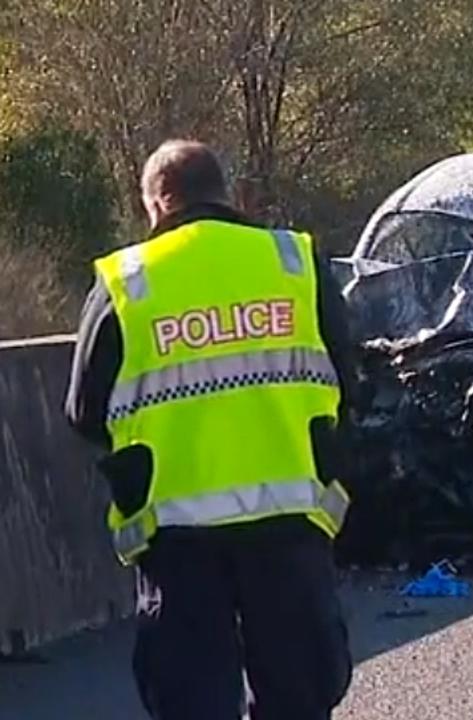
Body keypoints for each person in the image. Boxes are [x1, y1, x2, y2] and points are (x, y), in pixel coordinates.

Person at [64, 139, 358, 719]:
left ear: (157, 203)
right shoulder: (293, 261)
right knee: (298, 695)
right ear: (226, 192)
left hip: (177, 528)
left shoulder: (129, 280)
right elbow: (346, 379)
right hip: (290, 514)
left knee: (192, 698)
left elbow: (83, 411)